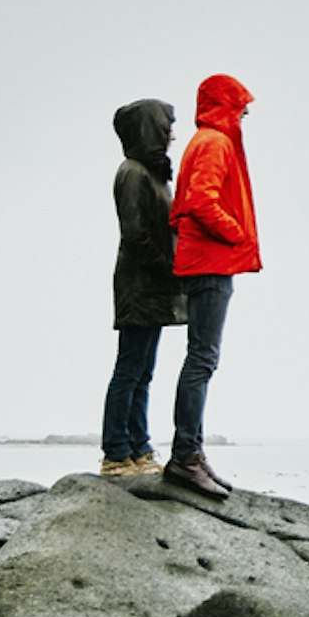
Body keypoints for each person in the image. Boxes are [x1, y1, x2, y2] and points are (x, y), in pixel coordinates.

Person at [164, 72, 259, 501]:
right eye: (242, 106)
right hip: (210, 262)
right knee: (202, 358)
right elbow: (202, 200)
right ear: (227, 104)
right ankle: (186, 455)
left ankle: (192, 453)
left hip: (204, 260)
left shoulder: (206, 140)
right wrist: (235, 232)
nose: (245, 113)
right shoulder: (216, 142)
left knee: (201, 358)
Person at [99, 98, 184, 476]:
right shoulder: (132, 172)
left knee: (144, 370)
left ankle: (140, 449)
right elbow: (135, 234)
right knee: (129, 368)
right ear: (150, 129)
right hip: (139, 284)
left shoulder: (156, 174)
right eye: (167, 127)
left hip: (155, 286)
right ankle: (116, 453)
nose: (172, 135)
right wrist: (169, 268)